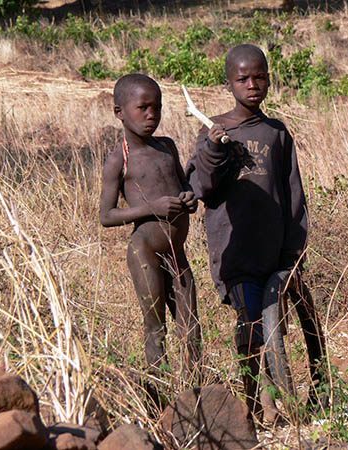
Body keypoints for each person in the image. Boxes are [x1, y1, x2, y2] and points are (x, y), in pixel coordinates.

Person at [186, 44, 326, 422]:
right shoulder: (213, 130)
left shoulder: (277, 134)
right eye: (243, 78)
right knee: (248, 327)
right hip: (235, 249)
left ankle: (282, 400)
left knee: (271, 325)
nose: (252, 84)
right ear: (229, 83)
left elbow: (294, 196)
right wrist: (214, 149)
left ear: (269, 78)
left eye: (259, 76)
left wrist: (294, 252)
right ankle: (256, 406)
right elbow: (203, 186)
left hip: (274, 251)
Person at [99, 74, 201, 403]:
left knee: (192, 326)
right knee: (156, 328)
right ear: (119, 112)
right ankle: (157, 405)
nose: (151, 115)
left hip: (177, 252)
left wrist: (189, 198)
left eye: (156, 108)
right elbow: (107, 216)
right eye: (142, 108)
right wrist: (150, 208)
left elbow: (183, 186)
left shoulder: (167, 147)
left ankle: (194, 397)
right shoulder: (120, 160)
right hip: (145, 250)